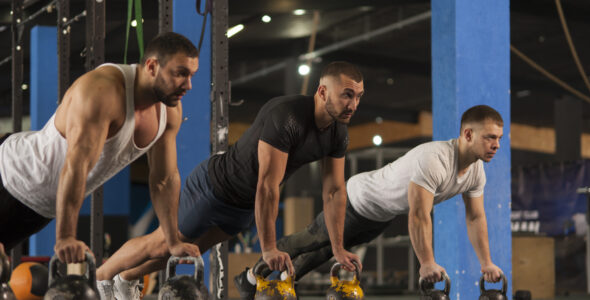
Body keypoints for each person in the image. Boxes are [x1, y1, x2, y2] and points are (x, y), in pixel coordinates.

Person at [96, 61, 365, 300]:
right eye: (347, 95)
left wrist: (338, 248)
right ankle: (102, 278)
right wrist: (269, 248)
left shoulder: (338, 133)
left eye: (358, 97)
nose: (353, 105)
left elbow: (334, 191)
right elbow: (267, 185)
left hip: (244, 206)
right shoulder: (287, 116)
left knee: (182, 254)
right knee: (162, 243)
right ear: (322, 92)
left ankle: (126, 279)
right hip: (215, 187)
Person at [235, 105, 505, 298]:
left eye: (499, 139)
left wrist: (486, 263)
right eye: (490, 137)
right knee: (311, 240)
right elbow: (419, 215)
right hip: (357, 199)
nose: (496, 145)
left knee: (326, 252)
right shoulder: (435, 159)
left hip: (380, 216)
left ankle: (277, 284)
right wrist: (426, 262)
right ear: (468, 135)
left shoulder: (476, 172)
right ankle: (248, 280)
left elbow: (475, 217)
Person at [0, 32, 201, 273]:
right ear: (152, 66)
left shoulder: (170, 112)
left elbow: (164, 179)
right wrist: (65, 236)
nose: (188, 85)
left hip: (38, 209)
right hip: (10, 174)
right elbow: (77, 165)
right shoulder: (101, 92)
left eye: (191, 75)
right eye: (180, 73)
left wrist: (172, 240)